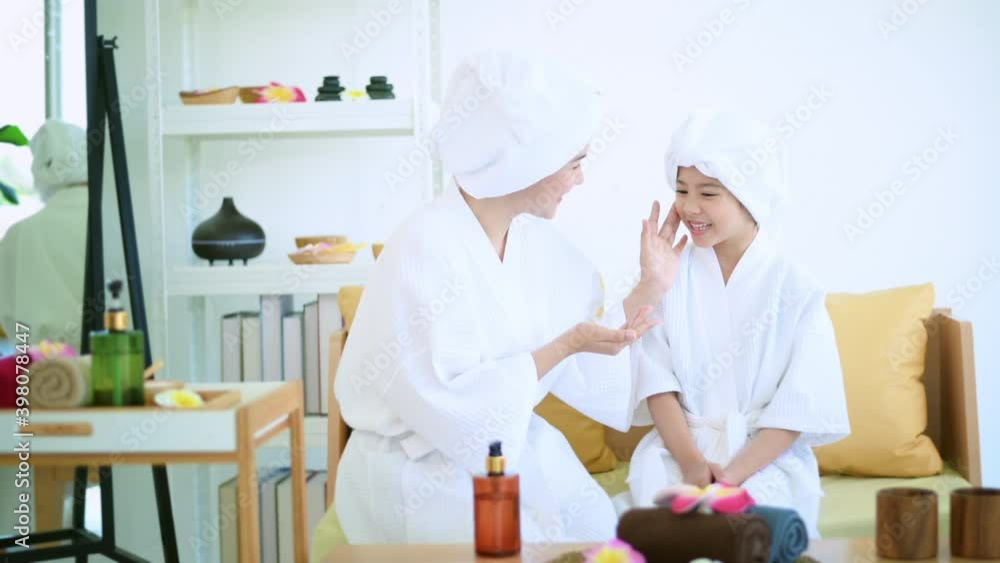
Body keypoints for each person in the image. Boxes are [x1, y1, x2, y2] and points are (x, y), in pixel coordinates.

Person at [312, 50, 686, 559]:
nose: (580, 179)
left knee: (602, 538)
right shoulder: (424, 248)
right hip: (422, 472)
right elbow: (453, 410)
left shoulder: (537, 244)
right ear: (526, 162)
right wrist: (566, 345)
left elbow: (586, 344)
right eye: (574, 164)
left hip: (508, 452)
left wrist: (651, 286)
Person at [626, 111, 851, 538]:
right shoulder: (669, 276)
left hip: (765, 462)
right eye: (681, 190)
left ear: (752, 195)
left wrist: (730, 479)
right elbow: (656, 383)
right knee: (664, 538)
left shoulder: (795, 286)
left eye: (708, 193)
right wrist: (693, 465)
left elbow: (798, 404)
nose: (690, 207)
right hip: (678, 456)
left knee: (754, 537)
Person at [0, 119, 89, 349]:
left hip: (38, 365)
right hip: (113, 362)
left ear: (39, 169)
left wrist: (25, 360)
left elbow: (12, 321)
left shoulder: (18, 235)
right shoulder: (116, 225)